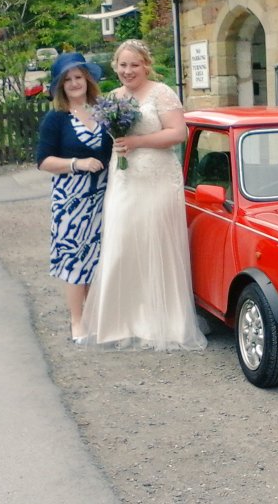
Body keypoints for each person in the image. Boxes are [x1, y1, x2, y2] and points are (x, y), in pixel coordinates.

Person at [80, 40, 207, 351]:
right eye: (123, 65)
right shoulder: (112, 98)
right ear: (115, 66)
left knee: (156, 241)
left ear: (146, 65)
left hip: (158, 177)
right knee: (122, 241)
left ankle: (164, 323)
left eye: (134, 65)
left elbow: (179, 133)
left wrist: (138, 142)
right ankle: (119, 323)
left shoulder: (161, 92)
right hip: (124, 177)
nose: (128, 71)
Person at [35, 52, 112, 341]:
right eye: (68, 79)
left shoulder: (104, 110)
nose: (74, 83)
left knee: (98, 258)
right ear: (60, 86)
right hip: (72, 199)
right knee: (75, 260)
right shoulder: (56, 118)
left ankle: (94, 317)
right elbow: (43, 161)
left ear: (87, 79)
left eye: (78, 77)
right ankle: (77, 321)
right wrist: (76, 164)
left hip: (103, 195)